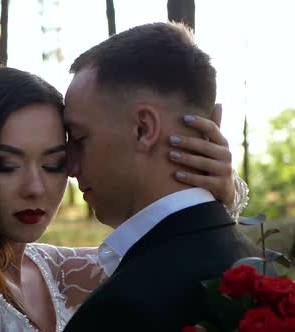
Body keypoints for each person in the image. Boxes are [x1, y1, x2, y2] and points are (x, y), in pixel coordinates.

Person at [0, 66, 247, 332]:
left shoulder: (49, 269)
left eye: (54, 164)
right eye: (6, 165)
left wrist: (222, 191)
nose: (35, 187)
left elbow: (158, 256)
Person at [62, 22, 258, 332]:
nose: (70, 166)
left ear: (143, 129)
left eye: (80, 138)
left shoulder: (120, 310)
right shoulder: (258, 266)